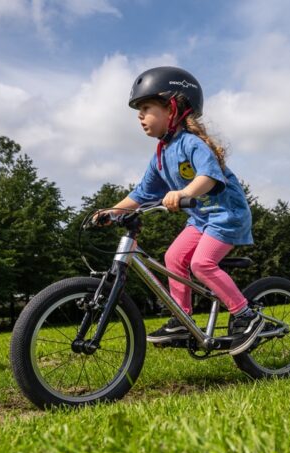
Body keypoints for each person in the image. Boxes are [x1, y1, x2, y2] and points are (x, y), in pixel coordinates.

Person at [104, 66, 263, 355]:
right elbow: (141, 194)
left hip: (226, 215)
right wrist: (111, 211)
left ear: (172, 108)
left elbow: (210, 176)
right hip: (201, 219)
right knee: (173, 257)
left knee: (201, 264)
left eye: (146, 107)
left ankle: (245, 315)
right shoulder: (162, 155)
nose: (140, 116)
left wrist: (185, 192)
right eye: (138, 110)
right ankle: (182, 319)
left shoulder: (192, 143)